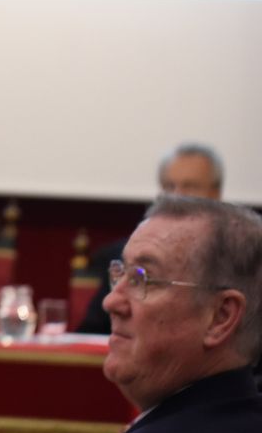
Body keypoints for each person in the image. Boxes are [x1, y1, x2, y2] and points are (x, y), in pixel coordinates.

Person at [3, 196, 262, 433]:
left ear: (221, 317)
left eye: (144, 279)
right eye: (120, 273)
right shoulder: (228, 422)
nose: (111, 301)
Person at [75, 142, 224, 334]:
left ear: (215, 193)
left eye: (190, 187)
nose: (176, 196)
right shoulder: (125, 255)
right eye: (169, 186)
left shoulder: (239, 257)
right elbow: (91, 333)